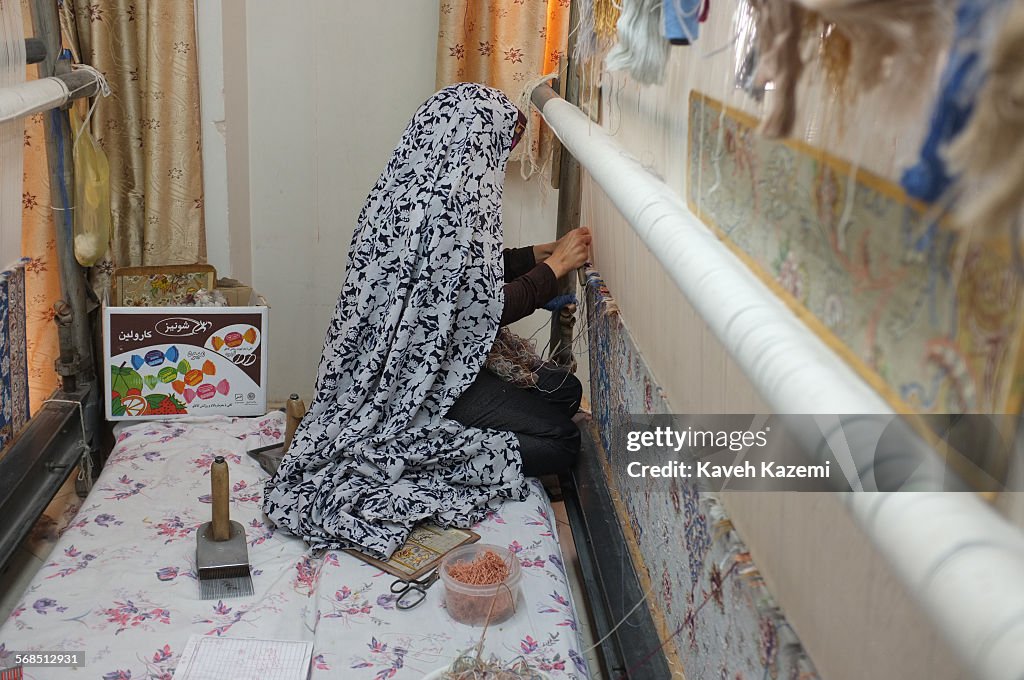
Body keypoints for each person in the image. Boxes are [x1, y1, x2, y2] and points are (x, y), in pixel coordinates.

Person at [263, 83, 590, 559]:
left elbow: (444, 281)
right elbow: (476, 310)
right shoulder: (451, 207)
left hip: (403, 367)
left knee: (564, 392)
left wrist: (527, 257)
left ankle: (456, 427)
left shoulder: (405, 191)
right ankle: (431, 445)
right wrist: (553, 269)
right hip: (419, 382)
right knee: (563, 441)